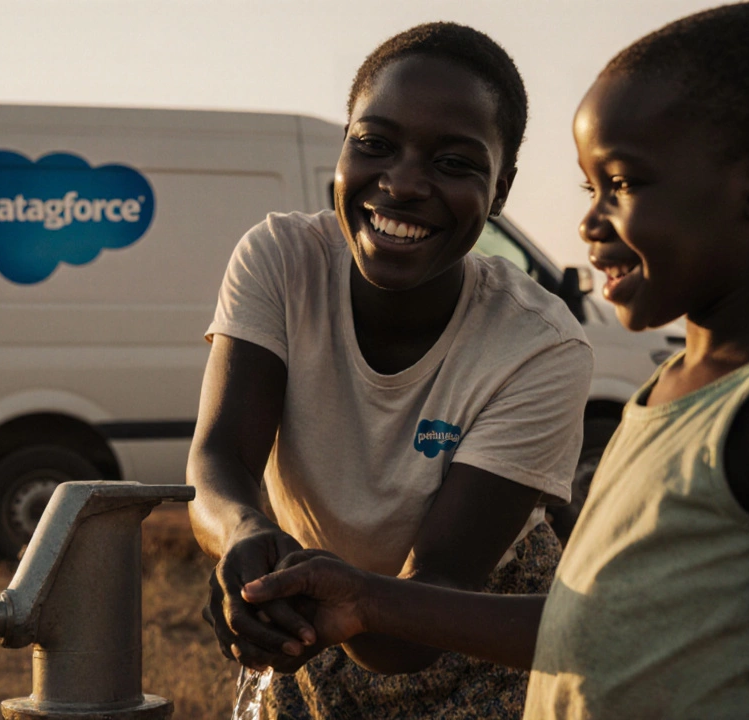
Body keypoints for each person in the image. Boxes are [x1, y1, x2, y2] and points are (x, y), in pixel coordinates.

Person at [241, 4, 749, 718]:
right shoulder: (666, 393)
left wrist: (374, 600)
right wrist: (364, 601)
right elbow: (588, 625)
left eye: (622, 184)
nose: (590, 223)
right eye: (587, 188)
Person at [187, 21, 594, 720]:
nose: (402, 184)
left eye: (454, 162)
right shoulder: (282, 260)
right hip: (311, 612)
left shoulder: (538, 344)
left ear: (501, 189)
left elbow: (422, 612)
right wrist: (247, 538)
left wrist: (308, 599)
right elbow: (218, 460)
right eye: (374, 145)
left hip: (473, 634)